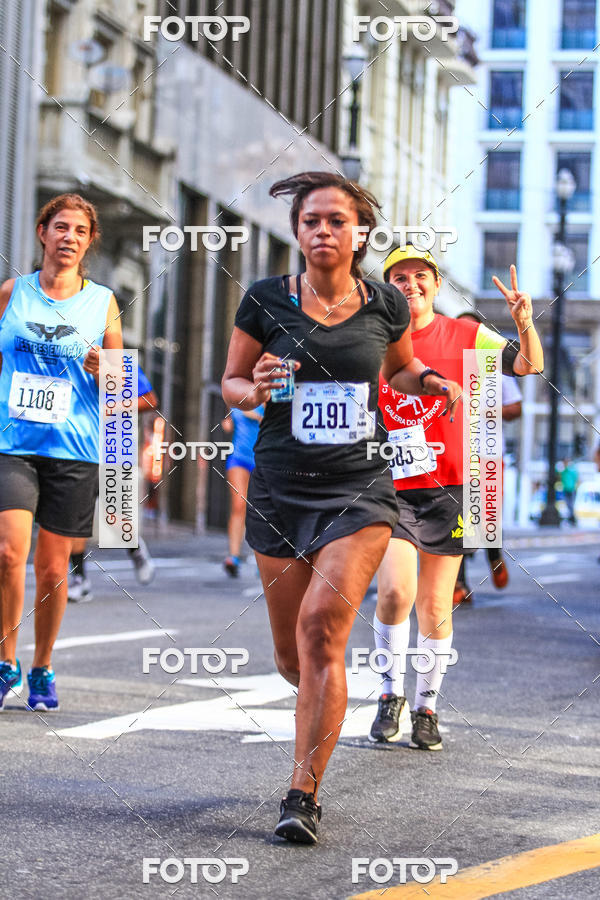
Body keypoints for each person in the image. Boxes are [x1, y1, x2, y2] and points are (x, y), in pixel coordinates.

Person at [221, 172, 461, 844]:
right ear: (296, 232)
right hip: (278, 486)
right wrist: (255, 384)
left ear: (359, 233)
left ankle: (303, 793)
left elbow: (401, 369)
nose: (323, 231)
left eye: (336, 220)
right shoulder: (265, 301)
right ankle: (318, 700)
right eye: (311, 221)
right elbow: (232, 384)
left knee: (324, 627)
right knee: (292, 657)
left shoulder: (385, 303)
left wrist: (434, 381)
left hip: (358, 488)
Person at [369, 246, 543, 750]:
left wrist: (524, 321)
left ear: (436, 284)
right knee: (395, 594)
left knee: (435, 604)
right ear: (387, 287)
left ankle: (426, 708)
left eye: (419, 275)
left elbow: (527, 364)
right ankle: (388, 696)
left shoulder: (465, 334)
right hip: (391, 486)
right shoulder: (376, 337)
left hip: (450, 489)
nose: (410, 284)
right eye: (398, 276)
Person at [0, 194, 122, 711]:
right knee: (8, 554)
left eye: (79, 231)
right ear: (42, 233)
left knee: (53, 571)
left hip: (75, 448)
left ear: (89, 241)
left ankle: (43, 665)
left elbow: (126, 385)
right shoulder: (12, 292)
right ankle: (6, 662)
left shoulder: (103, 302)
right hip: (13, 443)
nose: (69, 237)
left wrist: (105, 369)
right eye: (61, 227)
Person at [67, 368, 159, 602]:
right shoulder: (67, 356)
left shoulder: (116, 362)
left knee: (113, 516)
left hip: (112, 448)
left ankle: (135, 548)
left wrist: (112, 408)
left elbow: (150, 399)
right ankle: (80, 579)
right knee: (78, 515)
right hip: (75, 448)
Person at [452, 311, 523, 603]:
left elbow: (516, 408)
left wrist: (485, 410)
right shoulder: (445, 365)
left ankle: (494, 556)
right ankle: (459, 584)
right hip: (456, 452)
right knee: (457, 517)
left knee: (485, 517)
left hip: (489, 453)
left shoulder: (493, 366)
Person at [221, 405, 264, 577]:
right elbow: (229, 422)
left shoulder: (267, 392)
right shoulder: (234, 397)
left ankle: (263, 559)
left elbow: (278, 423)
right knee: (239, 505)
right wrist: (227, 423)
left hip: (261, 458)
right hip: (238, 457)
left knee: (261, 509)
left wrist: (255, 416)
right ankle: (233, 556)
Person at [560, 458, 578, 526]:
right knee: (568, 504)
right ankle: (571, 518)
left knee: (571, 505)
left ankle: (572, 519)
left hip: (572, 490)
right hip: (566, 489)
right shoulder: (563, 472)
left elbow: (576, 479)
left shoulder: (571, 470)